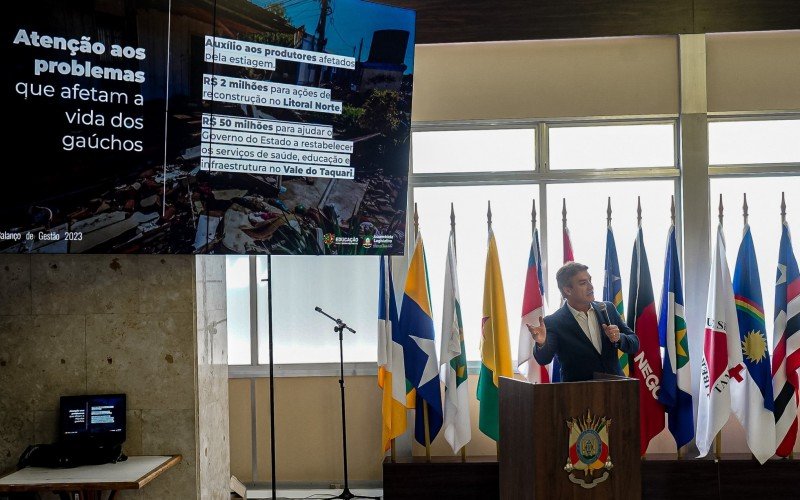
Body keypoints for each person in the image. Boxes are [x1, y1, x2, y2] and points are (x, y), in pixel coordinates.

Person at [526, 261, 638, 382]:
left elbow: (634, 343)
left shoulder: (607, 308)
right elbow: (544, 359)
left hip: (615, 390)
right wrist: (541, 343)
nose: (591, 286)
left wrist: (619, 338)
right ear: (568, 290)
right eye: (583, 283)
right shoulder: (553, 322)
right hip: (578, 394)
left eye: (590, 280)